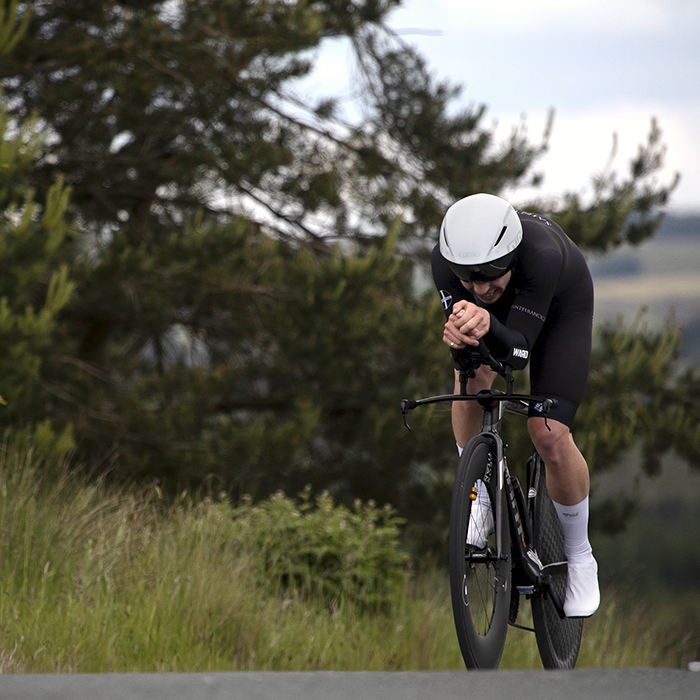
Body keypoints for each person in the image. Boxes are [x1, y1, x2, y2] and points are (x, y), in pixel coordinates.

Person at [431, 192, 600, 618]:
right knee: (469, 375)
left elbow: (519, 355)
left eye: (491, 279)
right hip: (506, 317)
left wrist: (488, 320)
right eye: (469, 281)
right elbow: (471, 349)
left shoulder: (540, 255)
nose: (481, 289)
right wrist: (461, 337)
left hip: (559, 306)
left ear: (509, 254)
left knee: (548, 434)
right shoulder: (444, 263)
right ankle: (480, 497)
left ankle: (580, 555)